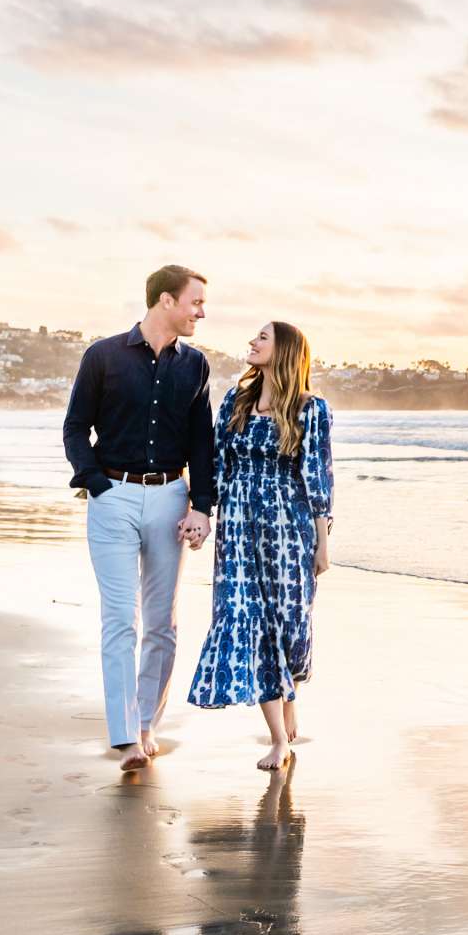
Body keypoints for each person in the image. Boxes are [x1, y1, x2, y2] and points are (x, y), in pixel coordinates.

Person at [62, 265, 217, 772]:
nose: (201, 312)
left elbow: (202, 443)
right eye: (195, 302)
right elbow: (75, 428)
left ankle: (148, 722)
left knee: (163, 624)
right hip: (113, 496)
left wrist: (200, 505)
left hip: (171, 496)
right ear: (166, 300)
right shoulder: (102, 356)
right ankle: (126, 737)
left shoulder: (195, 366)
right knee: (118, 620)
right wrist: (96, 483)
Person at [188, 320, 333, 773]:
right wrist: (202, 515)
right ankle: (278, 739)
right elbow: (213, 461)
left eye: (262, 337)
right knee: (246, 619)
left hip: (288, 530)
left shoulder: (312, 409)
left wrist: (322, 544)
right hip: (239, 528)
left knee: (289, 625)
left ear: (285, 351)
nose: (251, 342)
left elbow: (318, 477)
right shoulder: (236, 400)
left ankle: (289, 696)